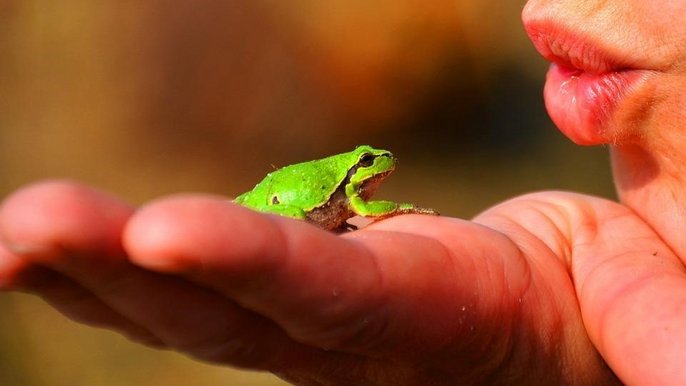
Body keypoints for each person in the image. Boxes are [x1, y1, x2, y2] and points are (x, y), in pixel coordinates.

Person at [1, 0, 685, 384]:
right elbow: (359, 209)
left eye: (374, 162)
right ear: (357, 168)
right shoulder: (353, 190)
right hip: (284, 209)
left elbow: (362, 208)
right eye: (370, 161)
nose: (542, 4)